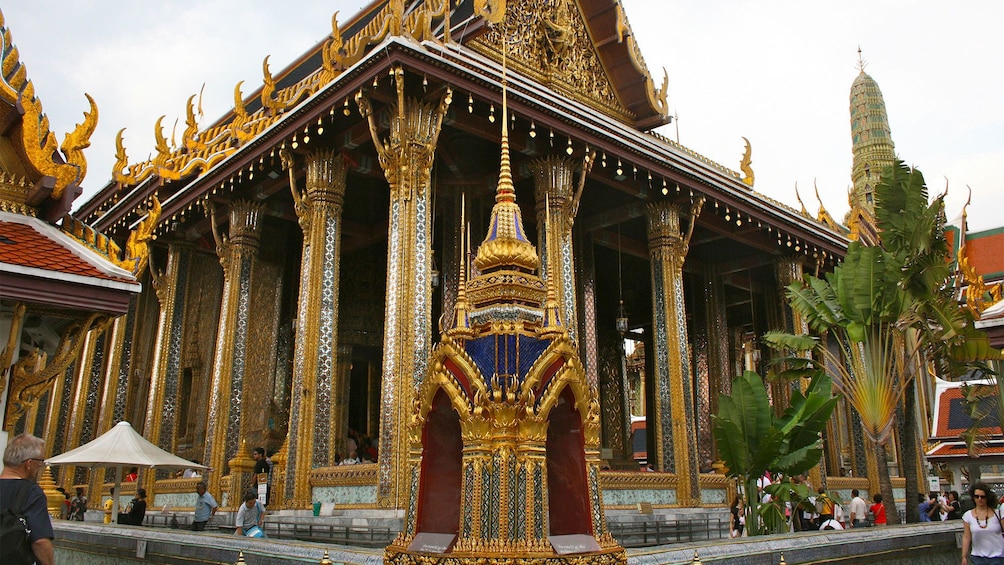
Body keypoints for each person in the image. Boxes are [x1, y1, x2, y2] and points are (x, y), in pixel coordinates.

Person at [0, 433, 55, 565]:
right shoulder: (31, 492)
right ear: (29, 464)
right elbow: (40, 542)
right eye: (40, 461)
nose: (40, 466)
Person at [961, 481, 1004, 565]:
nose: (979, 499)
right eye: (976, 496)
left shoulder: (998, 513)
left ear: (987, 497)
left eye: (982, 497)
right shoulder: (967, 516)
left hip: (998, 557)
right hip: (978, 557)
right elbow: (966, 537)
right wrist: (964, 556)